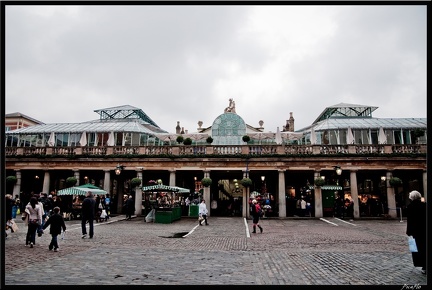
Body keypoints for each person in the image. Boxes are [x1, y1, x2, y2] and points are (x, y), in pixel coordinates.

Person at [405, 190, 426, 274]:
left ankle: (423, 265)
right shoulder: (424, 205)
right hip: (424, 229)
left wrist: (409, 232)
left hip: (416, 231)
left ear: (411, 198)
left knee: (419, 248)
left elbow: (410, 221)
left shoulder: (410, 207)